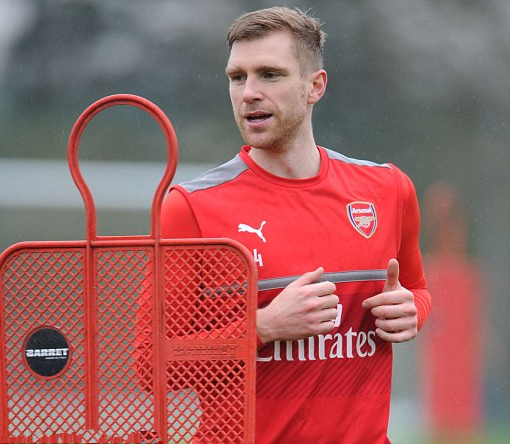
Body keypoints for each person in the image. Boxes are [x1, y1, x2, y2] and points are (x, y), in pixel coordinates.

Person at [161, 6, 432, 443]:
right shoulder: (190, 208)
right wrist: (264, 326)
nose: (249, 92)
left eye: (270, 75)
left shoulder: (388, 189)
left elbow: (417, 290)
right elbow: (153, 365)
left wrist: (411, 311)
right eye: (237, 77)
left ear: (314, 86)